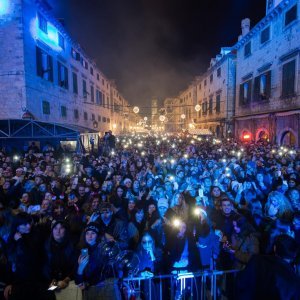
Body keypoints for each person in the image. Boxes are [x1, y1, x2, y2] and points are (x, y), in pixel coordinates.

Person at [236, 234, 300, 300]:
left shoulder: (256, 260)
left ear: (275, 248)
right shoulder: (295, 281)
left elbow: (240, 283)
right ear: (294, 255)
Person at [75, 223, 107, 299]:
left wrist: (88, 283)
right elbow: (78, 282)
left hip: (103, 290)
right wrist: (80, 269)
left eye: (93, 233)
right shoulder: (80, 251)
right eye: (87, 233)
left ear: (97, 235)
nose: (90, 236)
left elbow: (105, 272)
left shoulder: (103, 250)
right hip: (88, 293)